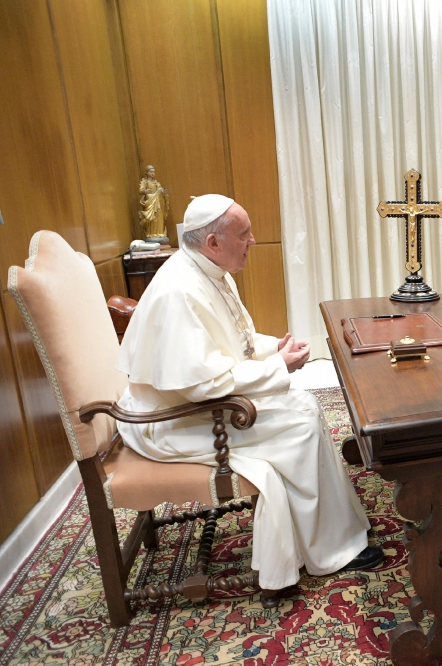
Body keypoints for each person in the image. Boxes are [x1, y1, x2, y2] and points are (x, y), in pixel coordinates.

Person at [115, 194, 383, 598]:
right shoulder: (179, 291)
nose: (254, 241)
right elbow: (202, 384)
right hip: (171, 422)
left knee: (304, 405)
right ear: (213, 243)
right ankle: (330, 551)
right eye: (244, 234)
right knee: (300, 422)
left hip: (194, 406)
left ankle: (339, 529)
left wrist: (272, 349)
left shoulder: (208, 270)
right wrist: (280, 368)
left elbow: (225, 345)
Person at [138, 165, 171, 242]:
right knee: (152, 218)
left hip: (158, 203)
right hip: (150, 202)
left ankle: (159, 233)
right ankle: (152, 233)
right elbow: (141, 190)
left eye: (154, 172)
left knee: (159, 217)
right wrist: (145, 191)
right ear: (146, 172)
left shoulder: (156, 182)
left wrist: (163, 192)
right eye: (151, 172)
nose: (153, 173)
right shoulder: (145, 182)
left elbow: (160, 191)